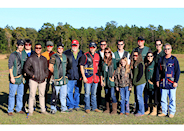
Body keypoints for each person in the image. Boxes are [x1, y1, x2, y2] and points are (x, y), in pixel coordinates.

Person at [156, 43, 180, 118]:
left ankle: (172, 112)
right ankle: (164, 111)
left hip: (172, 82)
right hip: (163, 82)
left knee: (172, 98)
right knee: (163, 98)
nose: (167, 50)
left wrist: (176, 81)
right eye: (165, 49)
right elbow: (157, 71)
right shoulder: (161, 59)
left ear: (171, 50)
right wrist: (157, 80)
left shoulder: (174, 59)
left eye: (168, 49)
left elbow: (177, 71)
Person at [24, 43, 49, 116]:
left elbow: (46, 69)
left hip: (42, 80)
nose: (38, 49)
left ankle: (43, 110)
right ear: (35, 49)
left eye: (39, 48)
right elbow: (26, 68)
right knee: (32, 96)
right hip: (33, 80)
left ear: (41, 49)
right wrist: (32, 75)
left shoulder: (44, 59)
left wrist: (45, 75)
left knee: (42, 95)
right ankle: (30, 111)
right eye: (37, 48)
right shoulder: (31, 58)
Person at [80, 42, 101, 114]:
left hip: (95, 78)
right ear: (89, 47)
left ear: (96, 48)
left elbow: (99, 66)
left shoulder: (98, 55)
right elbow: (81, 66)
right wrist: (84, 76)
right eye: (91, 47)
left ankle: (94, 107)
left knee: (94, 94)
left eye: (93, 47)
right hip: (88, 77)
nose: (92, 48)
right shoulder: (85, 55)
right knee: (87, 93)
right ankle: (87, 107)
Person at [7, 39, 27, 116]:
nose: (21, 47)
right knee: (12, 95)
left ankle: (18, 109)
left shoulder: (24, 54)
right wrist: (12, 77)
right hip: (14, 77)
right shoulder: (13, 55)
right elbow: (10, 66)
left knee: (20, 95)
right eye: (20, 45)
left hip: (21, 78)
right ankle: (10, 110)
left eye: (22, 45)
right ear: (17, 45)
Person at [49, 43, 69, 113]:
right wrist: (55, 74)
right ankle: (53, 108)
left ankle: (64, 108)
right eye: (59, 48)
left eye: (62, 48)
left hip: (64, 79)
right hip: (56, 78)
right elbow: (50, 67)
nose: (60, 49)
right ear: (57, 48)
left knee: (63, 95)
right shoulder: (53, 56)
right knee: (54, 95)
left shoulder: (64, 56)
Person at [64, 40, 83, 112]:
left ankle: (76, 105)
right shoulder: (66, 53)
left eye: (76, 45)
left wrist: (82, 75)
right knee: (69, 92)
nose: (74, 47)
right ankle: (70, 105)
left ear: (78, 45)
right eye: (73, 45)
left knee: (77, 91)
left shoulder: (82, 53)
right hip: (70, 76)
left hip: (78, 76)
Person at [96, 40, 115, 108]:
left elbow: (114, 68)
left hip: (109, 77)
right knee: (99, 91)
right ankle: (99, 104)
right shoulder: (97, 53)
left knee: (111, 93)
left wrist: (113, 77)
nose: (103, 46)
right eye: (101, 44)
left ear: (106, 45)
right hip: (100, 75)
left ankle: (111, 106)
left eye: (104, 44)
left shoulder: (112, 56)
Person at [114, 40, 130, 108]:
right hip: (118, 76)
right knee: (118, 94)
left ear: (124, 45)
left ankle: (127, 108)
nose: (120, 45)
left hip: (125, 77)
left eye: (121, 44)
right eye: (118, 44)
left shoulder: (127, 53)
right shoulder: (114, 54)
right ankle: (118, 106)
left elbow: (128, 64)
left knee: (126, 96)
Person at [100, 47, 117, 114]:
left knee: (112, 95)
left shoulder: (113, 60)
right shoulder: (103, 61)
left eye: (108, 52)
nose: (107, 53)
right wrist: (101, 80)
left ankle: (114, 109)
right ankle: (107, 109)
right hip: (105, 80)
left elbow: (115, 69)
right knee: (106, 94)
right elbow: (101, 72)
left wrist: (113, 77)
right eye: (105, 52)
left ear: (110, 53)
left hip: (111, 80)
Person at [131, 50, 146, 117]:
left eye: (136, 55)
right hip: (136, 83)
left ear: (139, 56)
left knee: (139, 97)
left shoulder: (140, 63)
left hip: (140, 83)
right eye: (133, 55)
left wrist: (136, 81)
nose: (134, 57)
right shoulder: (134, 63)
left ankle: (141, 112)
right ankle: (137, 110)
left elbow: (141, 74)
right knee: (136, 97)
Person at [22, 39, 35, 113]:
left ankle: (32, 106)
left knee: (32, 92)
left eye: (29, 44)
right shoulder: (22, 53)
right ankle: (23, 106)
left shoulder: (34, 53)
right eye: (26, 44)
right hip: (24, 75)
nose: (27, 46)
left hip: (32, 75)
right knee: (24, 92)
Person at [153, 39, 165, 114]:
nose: (158, 46)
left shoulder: (164, 54)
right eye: (156, 45)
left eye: (159, 44)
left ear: (162, 45)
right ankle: (156, 107)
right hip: (155, 75)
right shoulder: (154, 54)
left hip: (162, 76)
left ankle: (162, 108)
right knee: (155, 92)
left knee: (162, 93)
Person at [41, 41, 55, 108]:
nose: (49, 47)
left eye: (51, 46)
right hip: (46, 75)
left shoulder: (55, 54)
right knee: (45, 90)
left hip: (53, 75)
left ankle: (53, 103)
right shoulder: (43, 54)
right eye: (48, 46)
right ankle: (44, 103)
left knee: (54, 90)